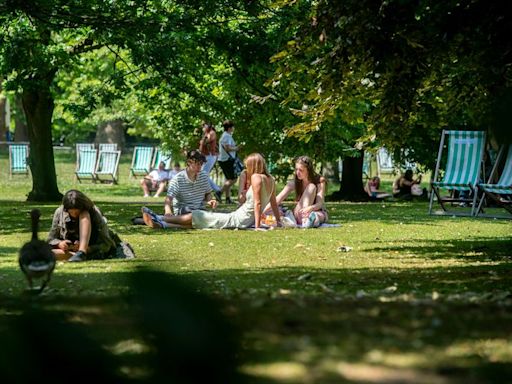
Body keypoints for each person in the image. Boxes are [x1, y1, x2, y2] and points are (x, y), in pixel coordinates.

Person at [142, 153, 281, 230]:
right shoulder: (271, 179)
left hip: (239, 219)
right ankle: (163, 224)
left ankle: (159, 218)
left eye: (247, 166)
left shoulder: (256, 177)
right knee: (202, 220)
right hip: (241, 219)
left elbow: (257, 203)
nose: (246, 169)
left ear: (253, 165)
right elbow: (273, 203)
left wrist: (257, 227)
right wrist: (278, 222)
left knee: (198, 215)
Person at [47, 190, 135, 262]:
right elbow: (51, 239)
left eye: (77, 213)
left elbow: (106, 244)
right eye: (71, 213)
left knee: (84, 215)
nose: (74, 215)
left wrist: (89, 248)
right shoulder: (59, 212)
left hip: (93, 249)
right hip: (70, 251)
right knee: (47, 254)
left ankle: (82, 252)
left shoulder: (94, 213)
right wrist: (60, 244)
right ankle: (77, 256)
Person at [265, 155, 328, 228]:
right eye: (296, 169)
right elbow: (278, 199)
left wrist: (310, 208)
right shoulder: (294, 182)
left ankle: (310, 220)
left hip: (316, 210)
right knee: (271, 212)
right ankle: (306, 220)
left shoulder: (319, 181)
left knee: (319, 214)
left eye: (301, 170)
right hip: (300, 213)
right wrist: (263, 211)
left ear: (308, 170)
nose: (297, 172)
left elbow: (320, 203)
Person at [217, 120, 243, 204]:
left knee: (228, 179)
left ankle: (227, 198)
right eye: (233, 127)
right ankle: (219, 192)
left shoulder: (225, 135)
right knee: (234, 179)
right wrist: (237, 148)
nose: (234, 128)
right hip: (227, 160)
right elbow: (227, 148)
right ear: (229, 128)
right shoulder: (227, 136)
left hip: (223, 159)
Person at [199, 121, 223, 201]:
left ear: (208, 126)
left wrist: (202, 140)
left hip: (211, 155)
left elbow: (206, 141)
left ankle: (215, 190)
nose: (202, 128)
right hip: (206, 156)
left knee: (202, 174)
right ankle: (216, 190)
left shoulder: (212, 133)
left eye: (204, 126)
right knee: (202, 174)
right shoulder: (206, 133)